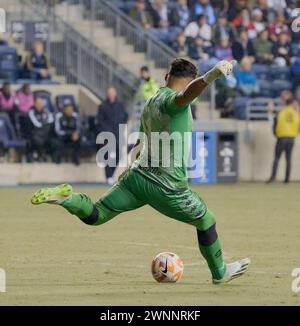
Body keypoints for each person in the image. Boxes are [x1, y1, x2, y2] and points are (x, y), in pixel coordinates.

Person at [31, 58, 250, 284]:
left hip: (136, 177)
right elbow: (185, 96)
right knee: (207, 221)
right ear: (189, 83)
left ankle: (68, 198)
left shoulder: (151, 101)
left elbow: (141, 140)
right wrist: (212, 75)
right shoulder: (174, 102)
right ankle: (220, 273)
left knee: (97, 215)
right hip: (167, 186)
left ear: (166, 77)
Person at [96, 87, 128, 185]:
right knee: (108, 156)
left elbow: (126, 116)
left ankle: (111, 175)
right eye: (109, 93)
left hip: (118, 133)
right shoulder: (103, 106)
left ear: (115, 94)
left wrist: (121, 125)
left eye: (112, 93)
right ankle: (108, 176)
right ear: (107, 94)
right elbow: (100, 121)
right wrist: (107, 130)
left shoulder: (120, 105)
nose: (111, 95)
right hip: (107, 135)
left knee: (118, 155)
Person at [267, 90, 300, 184]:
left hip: (281, 138)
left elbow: (274, 123)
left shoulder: (281, 112)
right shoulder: (296, 114)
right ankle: (287, 179)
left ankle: (273, 177)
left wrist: (275, 133)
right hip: (291, 138)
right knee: (288, 158)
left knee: (277, 157)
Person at [28, 96, 54, 161]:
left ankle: (45, 155)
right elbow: (36, 124)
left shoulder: (46, 111)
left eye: (41, 104)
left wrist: (43, 124)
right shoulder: (31, 112)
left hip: (45, 133)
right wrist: (45, 123)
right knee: (37, 140)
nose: (40, 105)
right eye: (38, 104)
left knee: (52, 139)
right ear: (35, 104)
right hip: (35, 132)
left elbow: (51, 120)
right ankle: (37, 154)